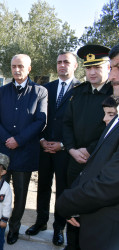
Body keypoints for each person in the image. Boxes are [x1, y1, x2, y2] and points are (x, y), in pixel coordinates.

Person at [56, 43, 119, 250]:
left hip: (100, 161)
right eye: (88, 68)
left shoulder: (114, 93)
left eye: (97, 67)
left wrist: (90, 150)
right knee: (73, 210)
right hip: (76, 159)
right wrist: (72, 149)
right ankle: (72, 244)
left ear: (107, 68)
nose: (92, 72)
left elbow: (109, 131)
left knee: (92, 209)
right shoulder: (78, 92)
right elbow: (67, 124)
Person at [0, 54, 48, 245]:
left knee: (20, 194)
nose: (17, 70)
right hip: (2, 152)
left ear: (29, 68)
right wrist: (7, 138)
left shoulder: (40, 92)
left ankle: (14, 228)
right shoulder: (3, 91)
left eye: (21, 66)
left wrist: (19, 140)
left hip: (24, 152)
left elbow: (41, 120)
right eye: (14, 66)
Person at [25, 52, 80, 246]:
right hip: (44, 147)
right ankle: (40, 223)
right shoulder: (46, 88)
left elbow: (79, 124)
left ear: (75, 66)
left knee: (62, 190)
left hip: (66, 150)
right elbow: (36, 116)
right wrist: (41, 140)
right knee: (42, 187)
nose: (62, 65)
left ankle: (59, 228)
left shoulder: (81, 89)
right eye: (59, 62)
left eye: (66, 62)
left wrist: (63, 145)